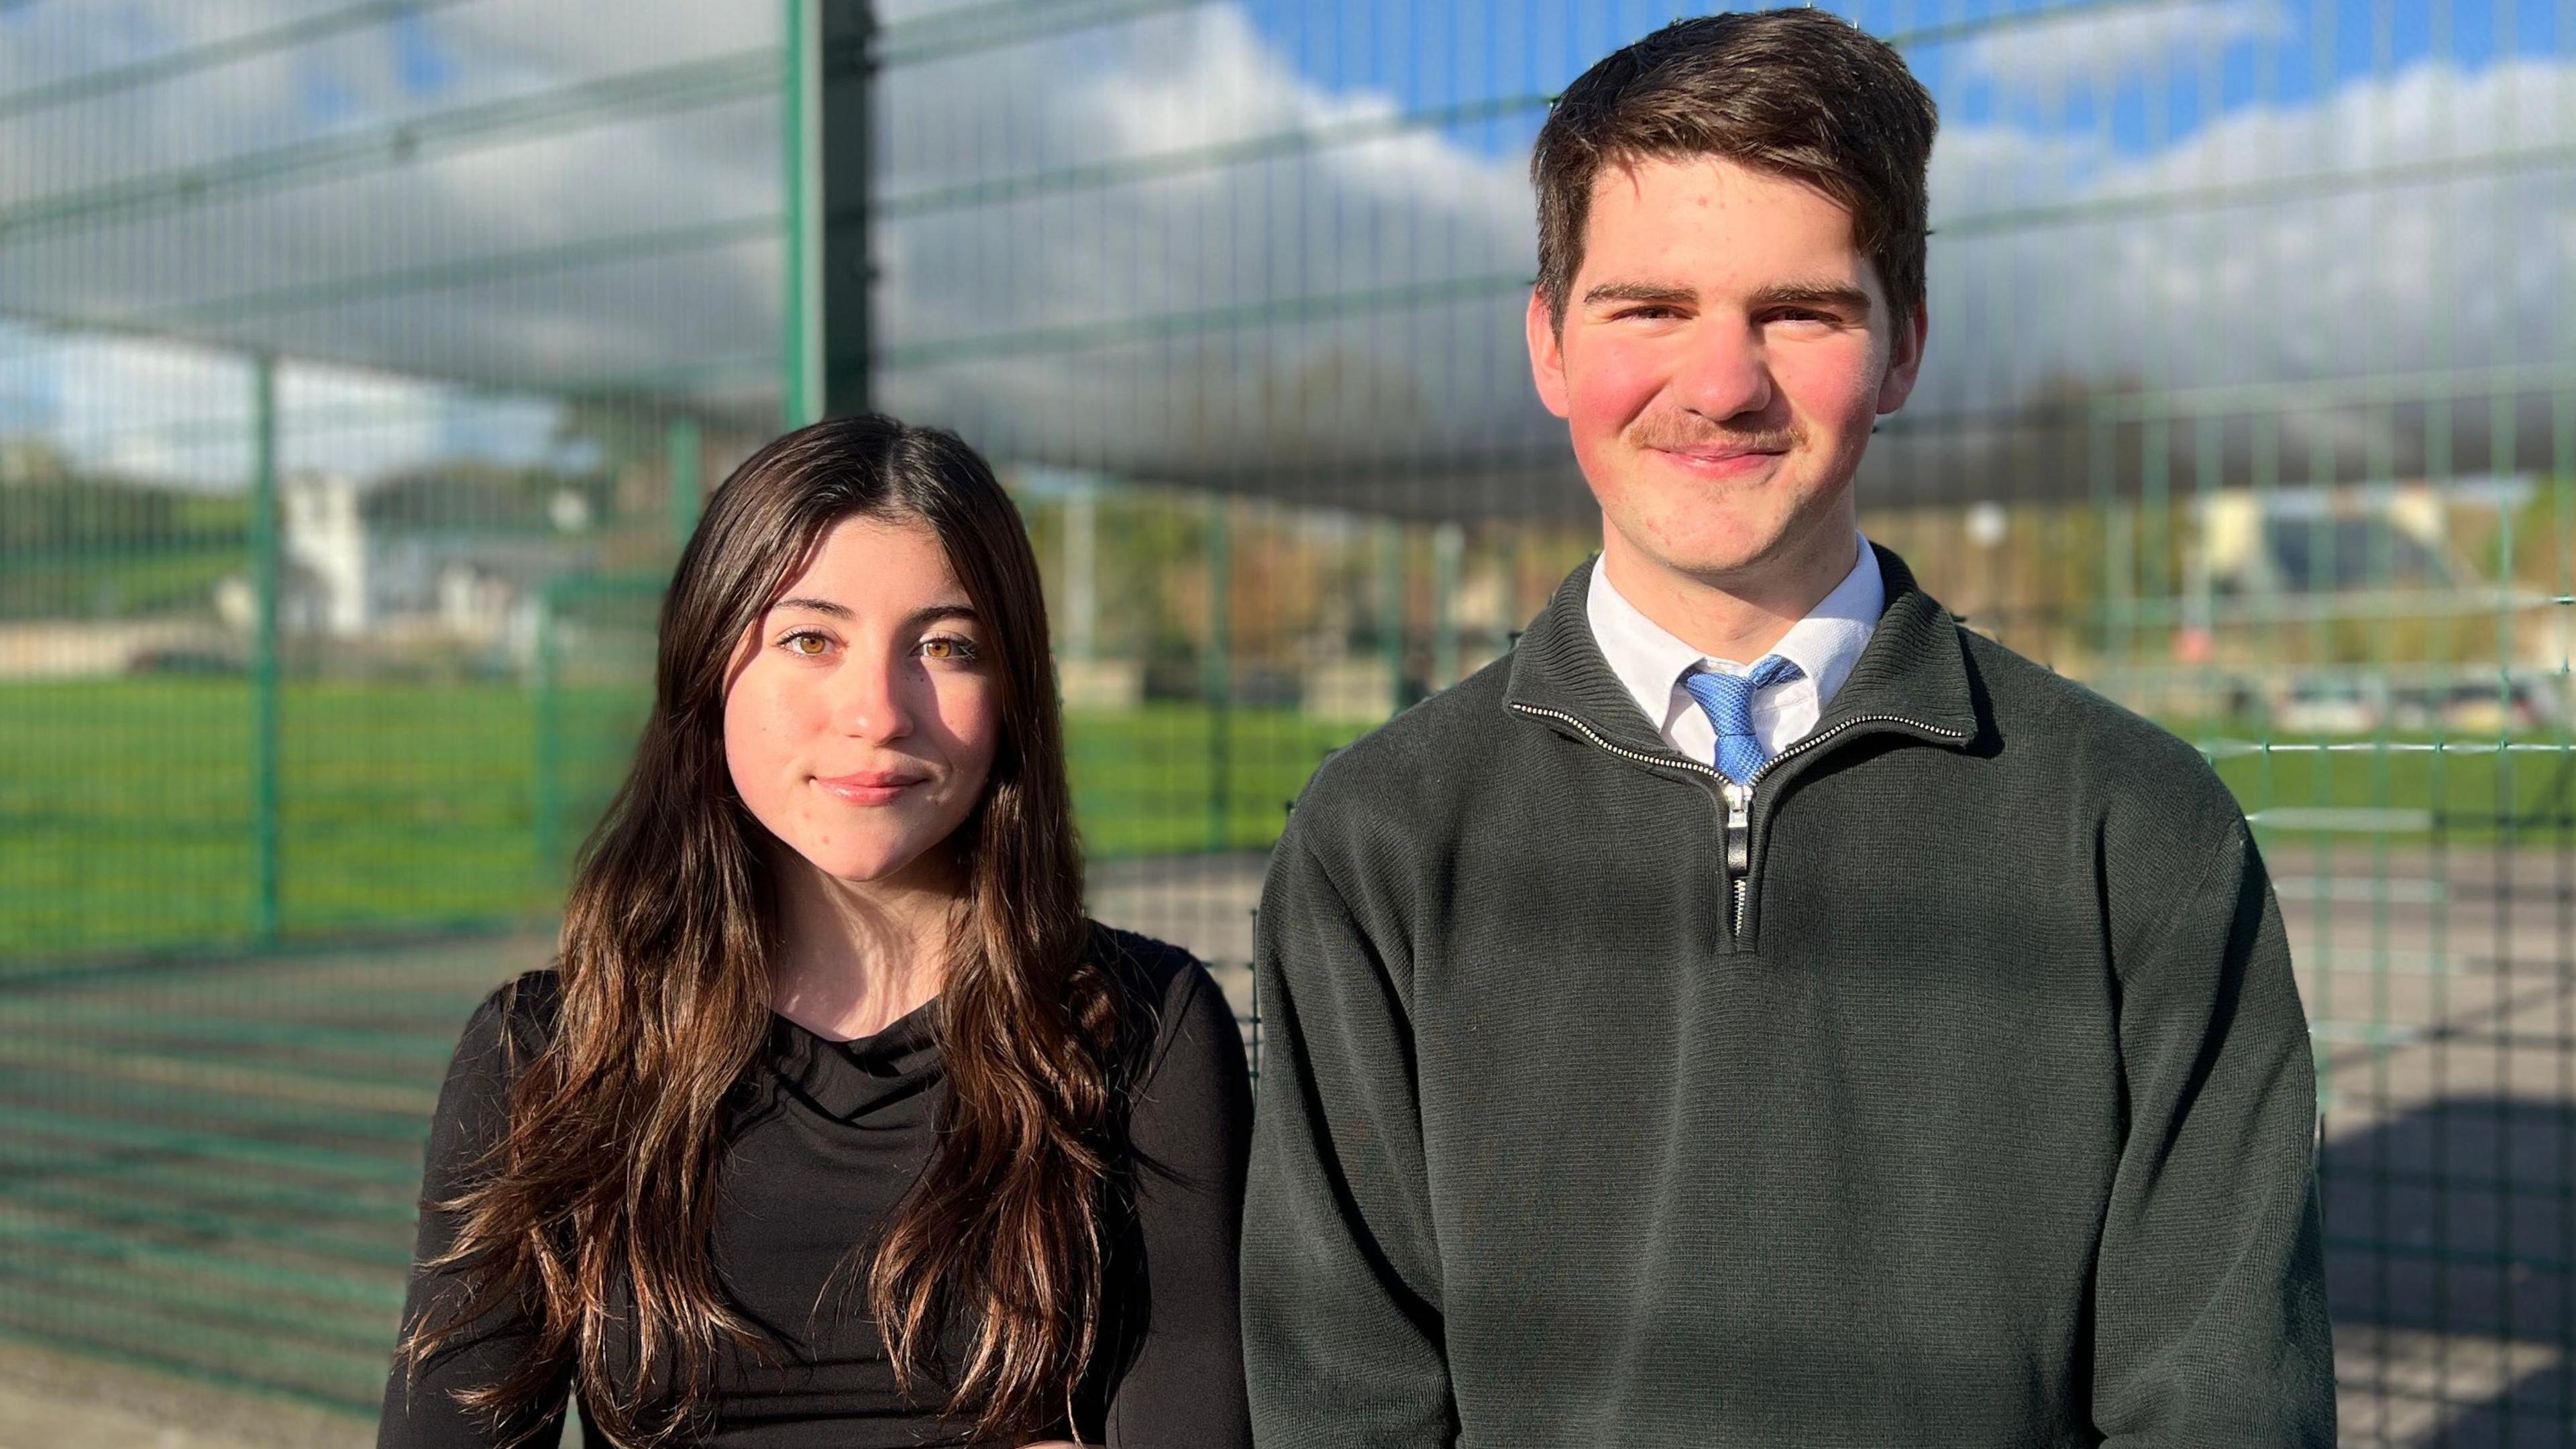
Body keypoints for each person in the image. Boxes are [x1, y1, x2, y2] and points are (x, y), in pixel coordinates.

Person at [1242, 11, 2333, 1446]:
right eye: (1648, 308)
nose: (1720, 382)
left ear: (1902, 350)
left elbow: (2221, 1400)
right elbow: (1347, 1400)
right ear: (1549, 345)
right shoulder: (1378, 839)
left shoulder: (2139, 830)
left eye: (1798, 312)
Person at [379, 417, 1252, 1449]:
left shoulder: (1142, 1034)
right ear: (710, 667)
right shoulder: (547, 1059)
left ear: (1015, 691)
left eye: (946, 646)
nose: (878, 711)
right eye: (810, 638)